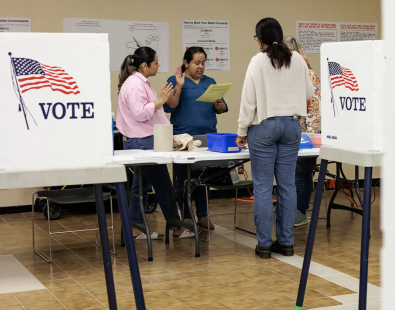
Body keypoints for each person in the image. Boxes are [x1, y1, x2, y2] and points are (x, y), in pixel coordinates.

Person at [236, 18, 313, 259]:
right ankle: (287, 243)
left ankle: (265, 245)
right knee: (288, 184)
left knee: (262, 186)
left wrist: (241, 130)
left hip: (264, 127)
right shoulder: (298, 59)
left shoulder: (257, 61)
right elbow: (310, 92)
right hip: (292, 126)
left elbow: (248, 100)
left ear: (260, 40)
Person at [116, 47, 194, 240]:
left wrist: (161, 101)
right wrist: (160, 101)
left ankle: (135, 227)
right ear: (144, 65)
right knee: (163, 185)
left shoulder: (139, 82)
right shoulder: (135, 84)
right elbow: (140, 113)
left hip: (144, 141)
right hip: (143, 142)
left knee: (140, 187)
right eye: (156, 62)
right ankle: (177, 226)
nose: (158, 65)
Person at [164, 47, 228, 230]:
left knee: (203, 178)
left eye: (203, 63)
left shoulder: (210, 82)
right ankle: (185, 215)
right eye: (196, 63)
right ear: (186, 63)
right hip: (183, 138)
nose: (200, 67)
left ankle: (203, 215)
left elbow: (222, 109)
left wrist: (219, 104)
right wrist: (178, 85)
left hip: (207, 137)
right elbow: (170, 106)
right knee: (182, 178)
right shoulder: (175, 80)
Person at [283, 36, 321, 227]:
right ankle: (291, 210)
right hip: (289, 131)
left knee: (301, 172)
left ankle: (299, 212)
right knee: (290, 174)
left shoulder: (309, 74)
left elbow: (314, 109)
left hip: (307, 134)